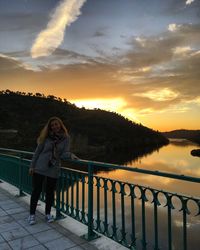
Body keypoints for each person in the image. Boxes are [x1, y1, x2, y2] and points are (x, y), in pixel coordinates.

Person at [28, 116, 78, 225]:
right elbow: (37, 152)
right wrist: (32, 166)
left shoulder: (66, 138)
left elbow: (64, 153)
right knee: (36, 191)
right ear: (50, 127)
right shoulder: (45, 137)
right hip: (40, 167)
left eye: (56, 124)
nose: (54, 126)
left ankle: (48, 214)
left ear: (60, 125)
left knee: (50, 192)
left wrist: (71, 155)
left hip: (53, 168)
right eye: (52, 125)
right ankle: (32, 215)